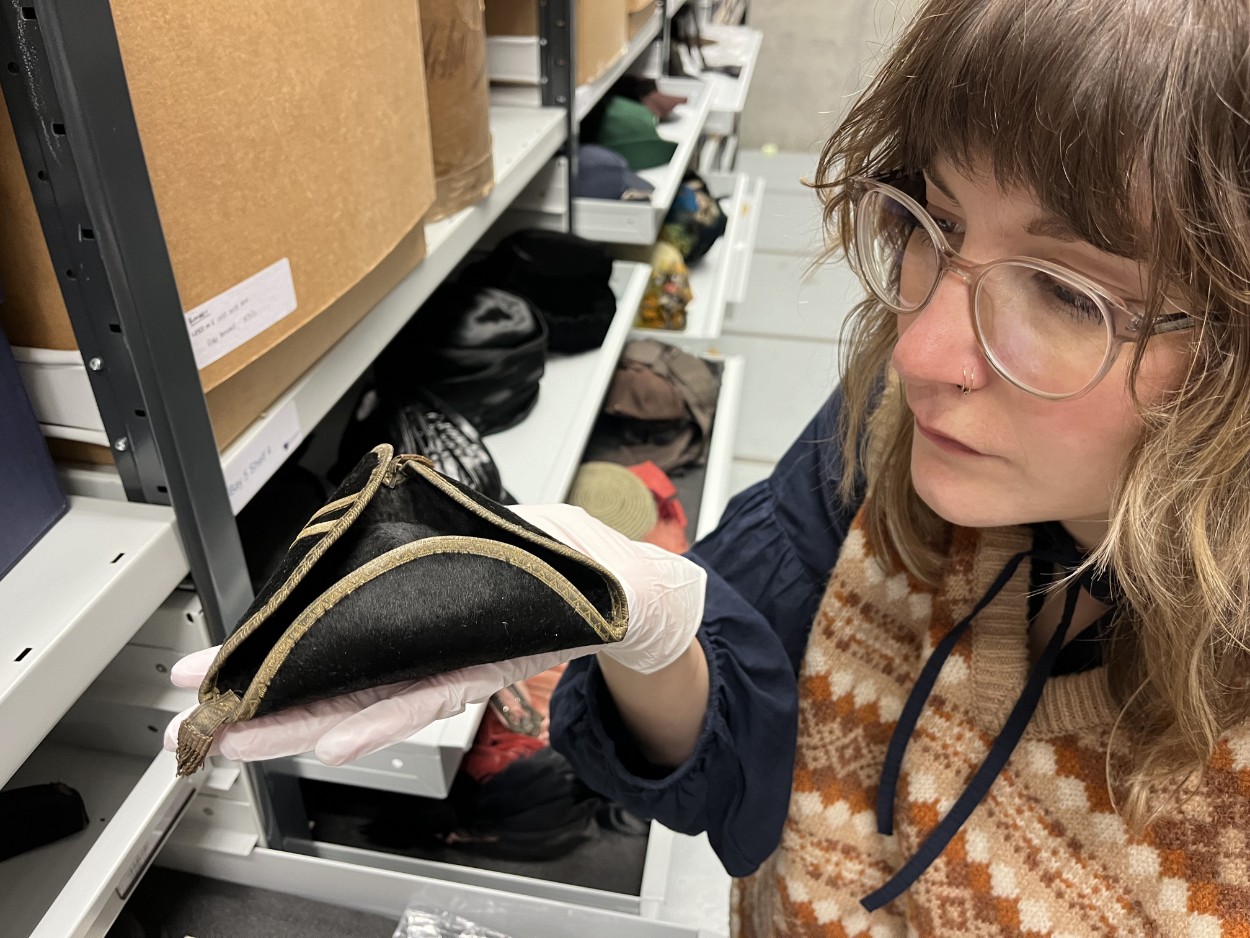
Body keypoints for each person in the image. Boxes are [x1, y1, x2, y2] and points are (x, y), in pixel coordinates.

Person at [167, 0, 1250, 931]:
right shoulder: (883, 434)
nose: (920, 351)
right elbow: (742, 776)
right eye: (936, 221)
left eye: (1067, 293)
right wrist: (647, 626)